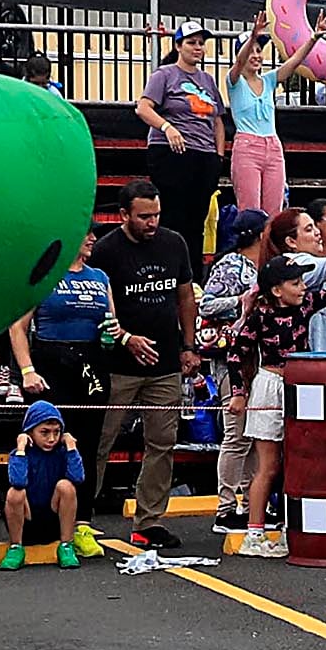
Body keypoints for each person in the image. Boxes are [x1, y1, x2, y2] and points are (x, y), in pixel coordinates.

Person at [217, 234, 326, 559]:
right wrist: (239, 393)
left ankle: (291, 527)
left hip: (302, 385)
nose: (302, 288)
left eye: (302, 281)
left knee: (298, 461)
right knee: (268, 464)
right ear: (276, 290)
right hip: (271, 383)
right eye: (295, 283)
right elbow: (236, 353)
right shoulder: (259, 317)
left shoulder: (307, 306)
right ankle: (254, 533)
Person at [92, 180, 203, 546]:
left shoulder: (174, 243)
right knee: (100, 440)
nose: (151, 222)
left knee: (163, 442)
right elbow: (97, 303)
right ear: (124, 215)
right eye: (143, 217)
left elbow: (185, 296)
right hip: (117, 364)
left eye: (156, 214)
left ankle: (149, 520)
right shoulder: (107, 250)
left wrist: (189, 345)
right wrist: (124, 336)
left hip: (165, 361)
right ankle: (78, 515)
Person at [6, 241, 112, 451]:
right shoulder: (45, 275)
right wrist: (27, 371)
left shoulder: (101, 277)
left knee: (88, 444)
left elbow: (111, 322)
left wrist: (113, 334)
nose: (92, 239)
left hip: (91, 363)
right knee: (50, 444)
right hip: (51, 363)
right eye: (87, 233)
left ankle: (85, 484)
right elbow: (17, 327)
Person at [136, 25, 230, 255]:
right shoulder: (164, 74)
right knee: (172, 217)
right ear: (178, 46)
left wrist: (218, 155)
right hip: (172, 153)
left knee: (196, 220)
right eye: (191, 42)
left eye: (200, 43)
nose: (197, 48)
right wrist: (167, 127)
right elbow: (143, 108)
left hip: (204, 155)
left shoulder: (207, 80)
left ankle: (192, 278)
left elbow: (218, 119)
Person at [0, 400, 96, 567]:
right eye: (44, 432)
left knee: (66, 486)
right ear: (30, 431)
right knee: (15, 492)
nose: (51, 438)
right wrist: (21, 448)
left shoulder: (62, 452)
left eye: (56, 432)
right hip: (27, 521)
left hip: (53, 520)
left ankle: (66, 545)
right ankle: (16, 546)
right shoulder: (21, 453)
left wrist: (71, 447)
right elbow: (18, 481)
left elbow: (78, 478)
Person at [226, 35, 289, 222]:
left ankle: (271, 251)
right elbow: (238, 64)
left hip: (273, 146)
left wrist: (314, 38)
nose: (256, 56)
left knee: (274, 212)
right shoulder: (234, 81)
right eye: (250, 51)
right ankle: (249, 250)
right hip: (247, 146)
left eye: (259, 51)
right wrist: (253, 35)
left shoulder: (268, 81)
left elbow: (294, 63)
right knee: (250, 211)